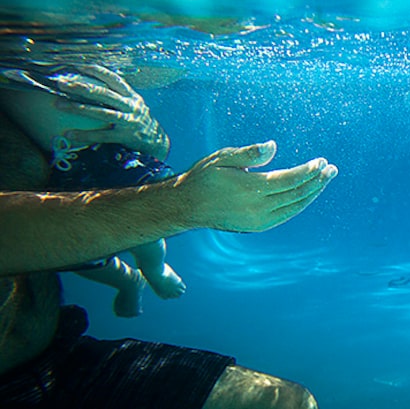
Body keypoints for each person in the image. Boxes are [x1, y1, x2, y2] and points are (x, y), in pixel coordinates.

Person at [0, 66, 338, 408]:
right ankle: (133, 278)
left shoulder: (27, 79)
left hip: (56, 359)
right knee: (101, 260)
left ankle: (142, 273)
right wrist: (184, 204)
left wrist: (144, 135)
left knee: (286, 403)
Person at [0, 64, 185, 318]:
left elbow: (163, 69)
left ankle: (154, 269)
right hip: (60, 167)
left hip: (108, 152)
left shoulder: (78, 49)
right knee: (75, 253)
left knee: (144, 222)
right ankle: (127, 280)